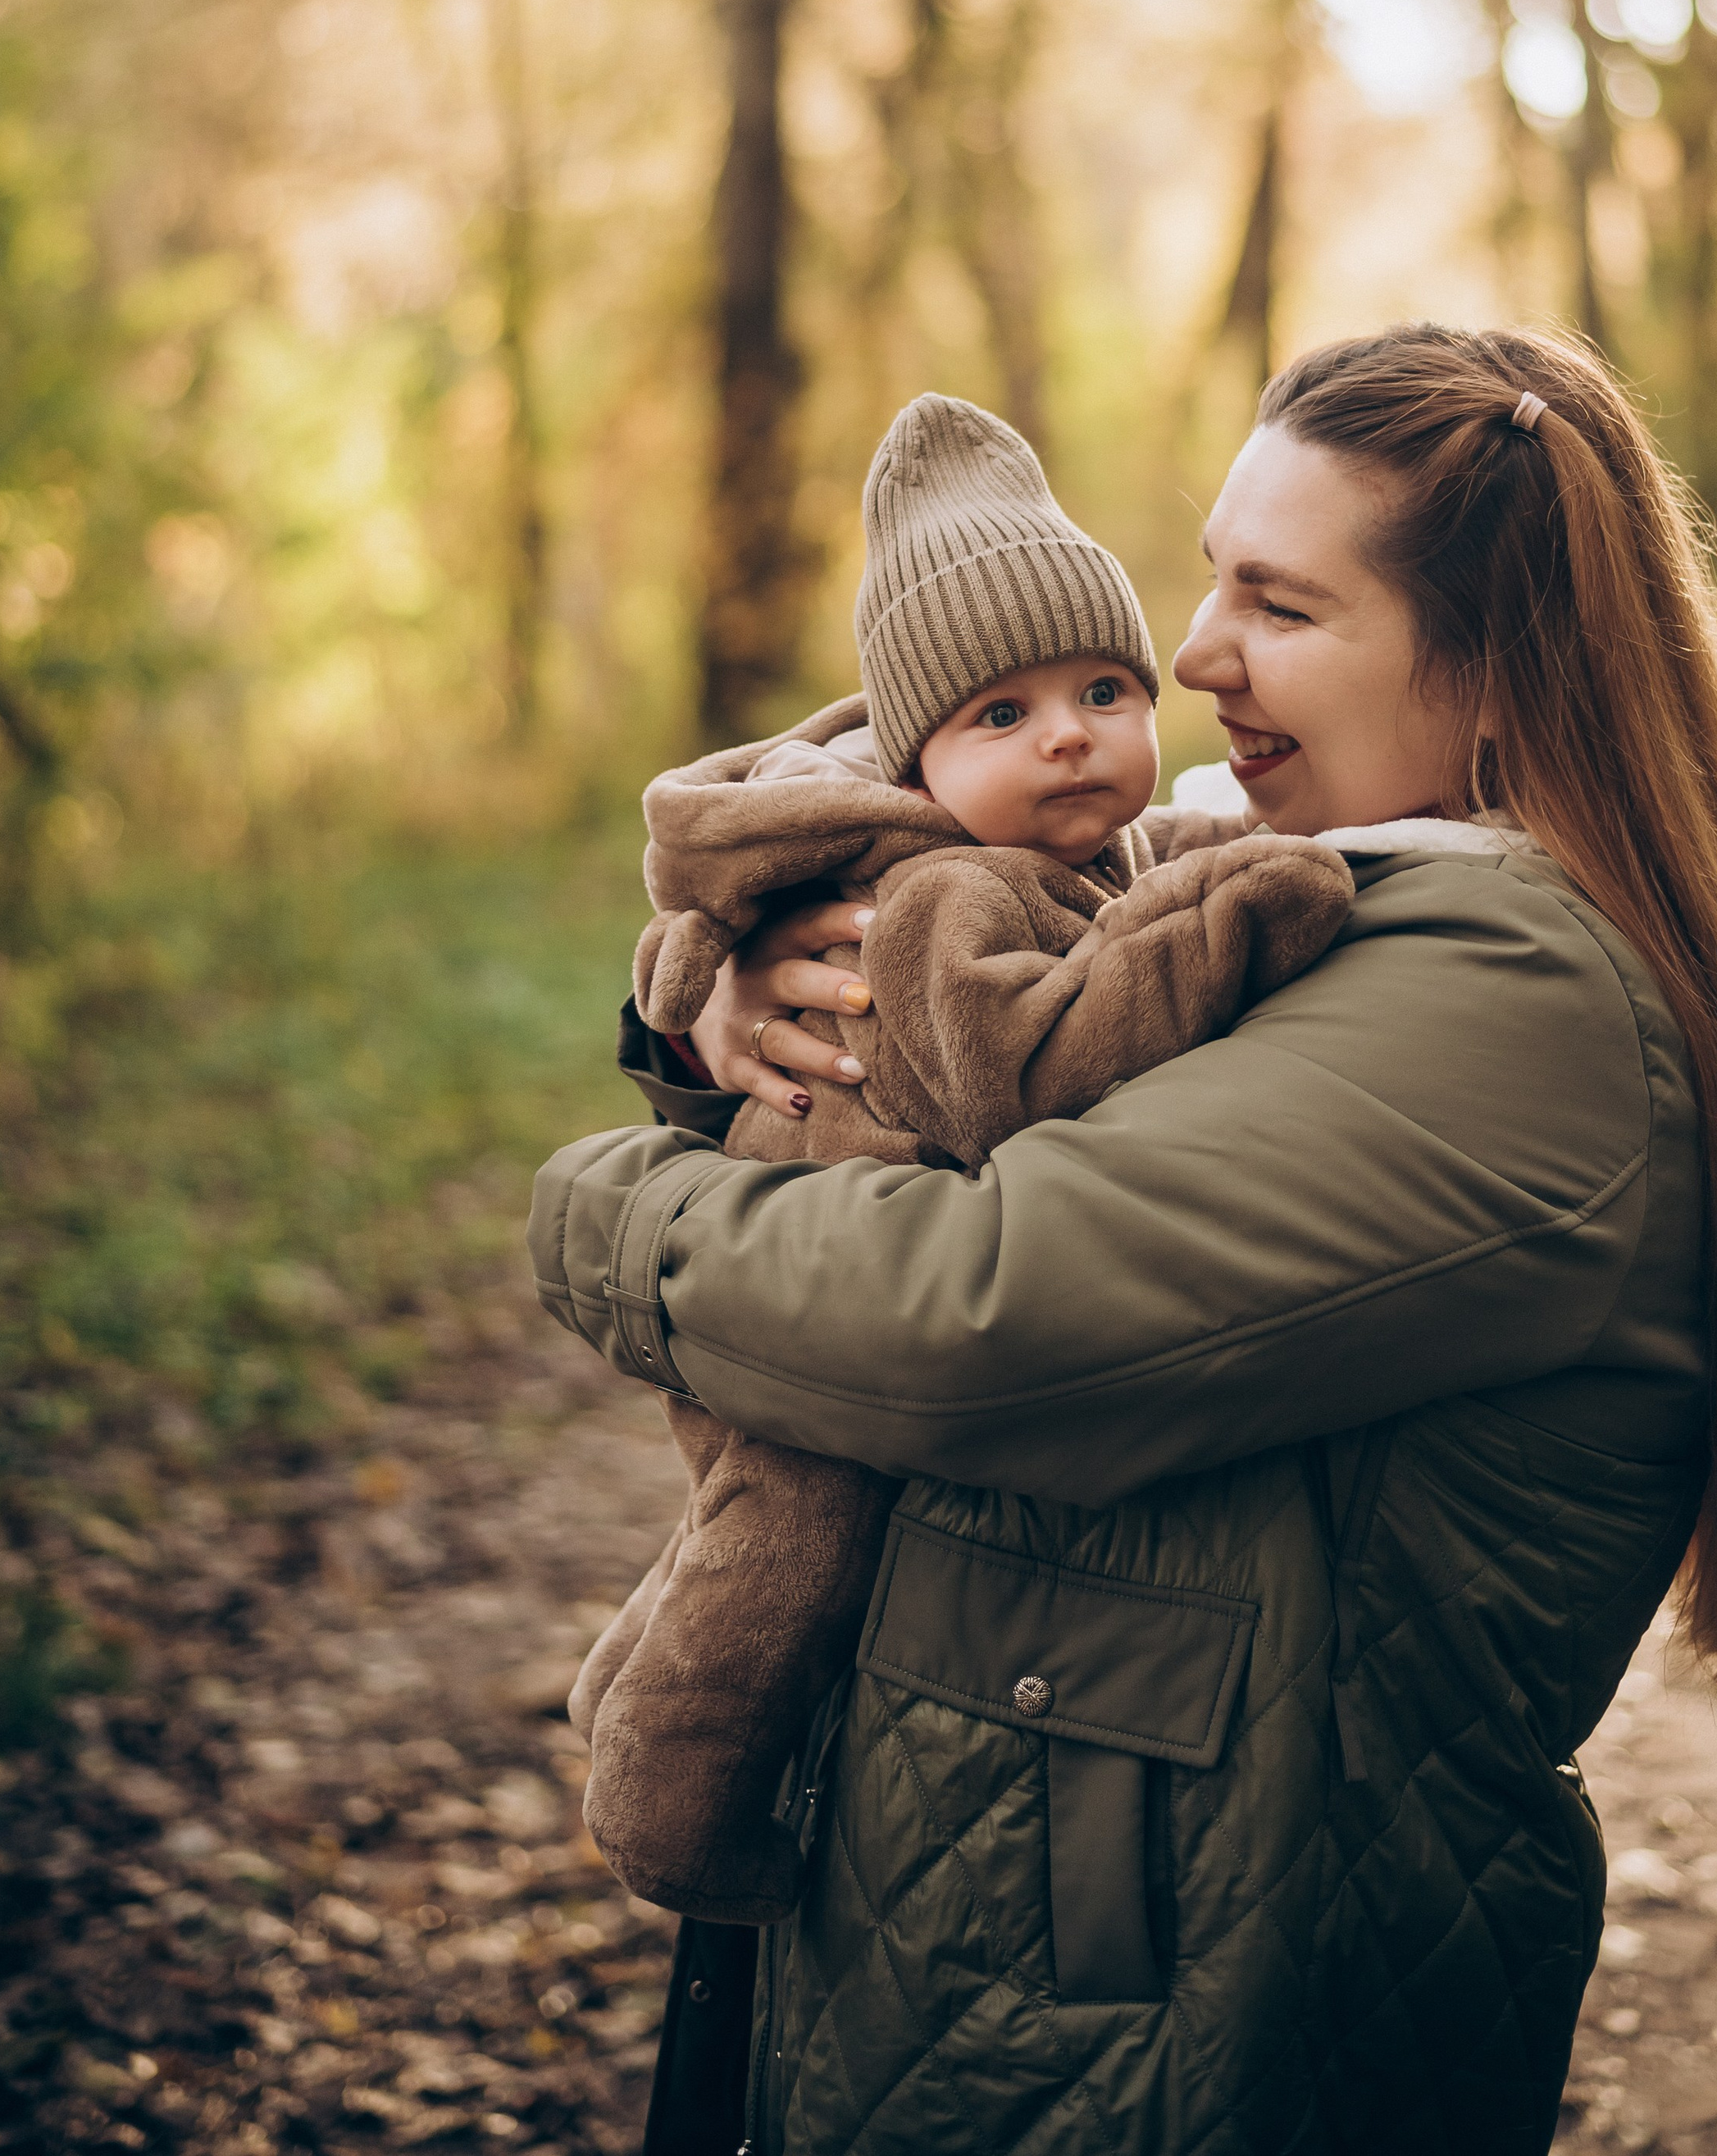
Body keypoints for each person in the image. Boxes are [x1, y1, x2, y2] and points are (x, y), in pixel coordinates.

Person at [529, 324, 1717, 2156]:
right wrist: (742, 1012)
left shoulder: (1504, 989)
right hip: (1031, 1947)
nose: (1189, 653)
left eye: (1281, 602)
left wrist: (608, 1208)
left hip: (1184, 2028)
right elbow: (934, 1002)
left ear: (1492, 668)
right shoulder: (1262, 872)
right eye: (1208, 574)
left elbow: (977, 1315)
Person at [566, 391, 1348, 1927]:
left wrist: (1209, 870)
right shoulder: (942, 899)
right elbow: (1021, 1071)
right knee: (774, 1561)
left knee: (715, 1538)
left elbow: (1159, 871)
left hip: (832, 1275)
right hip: (811, 1300)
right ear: (920, 763)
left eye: (1105, 687)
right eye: (1002, 715)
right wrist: (1243, 917)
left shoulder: (1086, 847)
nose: (1068, 733)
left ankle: (610, 1693)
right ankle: (671, 1812)